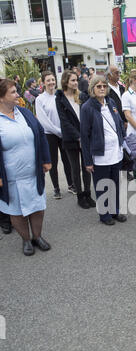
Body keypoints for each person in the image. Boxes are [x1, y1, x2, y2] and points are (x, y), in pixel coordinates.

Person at [0, 78, 52, 256]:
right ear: (1, 98)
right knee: (17, 211)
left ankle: (37, 236)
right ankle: (26, 240)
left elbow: (40, 135)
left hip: (33, 173)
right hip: (11, 177)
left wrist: (46, 159)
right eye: (13, 92)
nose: (18, 95)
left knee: (37, 206)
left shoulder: (24, 113)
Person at [80, 76, 127, 225]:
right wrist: (87, 161)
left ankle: (115, 211)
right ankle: (105, 215)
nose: (102, 89)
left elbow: (118, 122)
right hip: (100, 156)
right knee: (103, 186)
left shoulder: (111, 102)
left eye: (104, 86)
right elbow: (84, 136)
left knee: (115, 185)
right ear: (92, 88)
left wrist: (122, 138)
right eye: (98, 86)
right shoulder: (87, 107)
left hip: (116, 154)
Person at [55, 70, 95, 209]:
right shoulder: (59, 99)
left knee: (87, 167)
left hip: (84, 137)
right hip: (71, 139)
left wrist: (85, 135)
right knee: (75, 168)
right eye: (72, 80)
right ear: (65, 82)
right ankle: (80, 196)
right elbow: (64, 121)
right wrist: (78, 136)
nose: (75, 82)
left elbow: (87, 115)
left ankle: (88, 194)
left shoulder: (82, 96)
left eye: (76, 80)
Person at [36, 71, 74, 199]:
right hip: (50, 135)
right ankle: (56, 188)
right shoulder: (40, 99)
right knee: (52, 161)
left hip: (64, 133)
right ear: (43, 83)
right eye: (48, 80)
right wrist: (58, 131)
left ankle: (71, 185)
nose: (51, 82)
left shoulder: (60, 95)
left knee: (67, 160)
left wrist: (64, 131)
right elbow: (43, 121)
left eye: (53, 79)